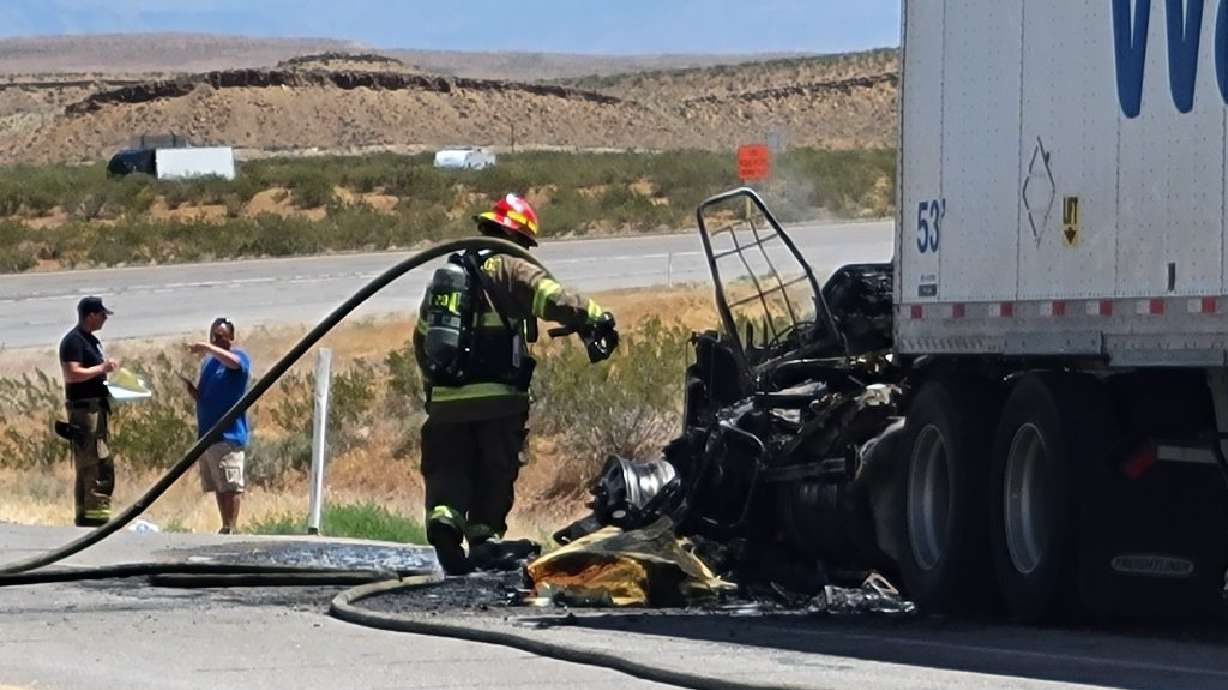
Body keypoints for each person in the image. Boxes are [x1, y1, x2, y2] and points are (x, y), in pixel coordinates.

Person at [414, 193, 619, 575]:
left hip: (445, 401)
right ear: (516, 237)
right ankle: (483, 539)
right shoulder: (509, 268)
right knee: (495, 468)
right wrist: (596, 316)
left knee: (449, 467)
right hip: (498, 400)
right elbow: (551, 296)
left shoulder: (446, 279)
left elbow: (422, 338)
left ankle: (444, 523)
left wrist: (437, 392)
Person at [182, 317, 251, 534]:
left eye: (221, 337)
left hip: (229, 434)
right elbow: (202, 396)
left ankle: (231, 526)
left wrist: (208, 348)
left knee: (231, 484)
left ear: (231, 337)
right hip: (208, 434)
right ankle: (225, 525)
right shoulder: (208, 364)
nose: (217, 340)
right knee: (219, 485)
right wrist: (191, 389)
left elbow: (234, 363)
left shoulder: (238, 357)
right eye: (214, 336)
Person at [59, 296, 119, 528]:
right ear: (91, 315)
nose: (104, 320)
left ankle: (89, 517)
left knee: (97, 462)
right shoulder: (73, 341)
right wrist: (101, 368)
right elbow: (72, 373)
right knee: (93, 464)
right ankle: (94, 520)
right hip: (85, 413)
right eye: (102, 315)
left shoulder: (91, 341)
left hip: (98, 408)